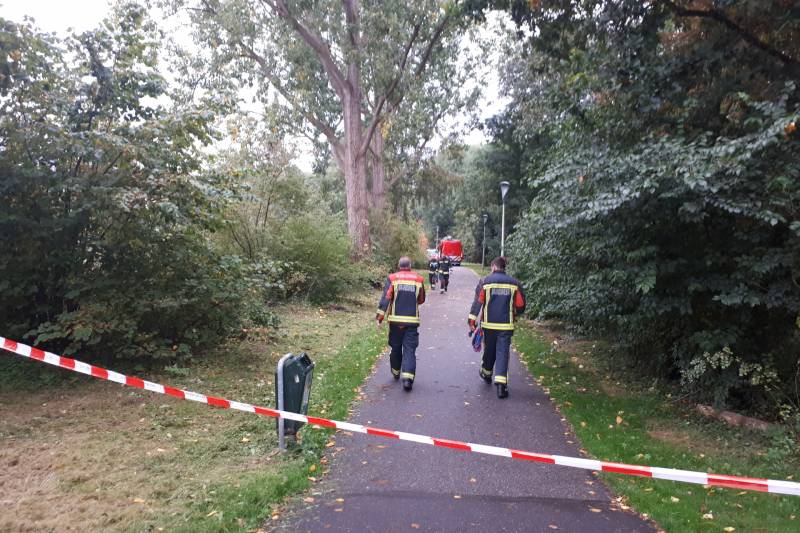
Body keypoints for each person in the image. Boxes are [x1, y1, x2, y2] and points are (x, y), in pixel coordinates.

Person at [468, 256, 526, 398]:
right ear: (504, 267)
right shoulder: (515, 283)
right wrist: (515, 313)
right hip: (506, 325)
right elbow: (520, 305)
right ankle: (501, 386)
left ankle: (486, 373)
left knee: (489, 350)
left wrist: (472, 321)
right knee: (503, 352)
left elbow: (478, 302)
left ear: (494, 267)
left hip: (488, 325)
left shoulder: (485, 282)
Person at [376, 256, 426, 391]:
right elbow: (421, 299)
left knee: (396, 347)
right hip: (412, 322)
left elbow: (386, 298)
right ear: (410, 266)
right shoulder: (418, 279)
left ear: (399, 266)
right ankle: (408, 380)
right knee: (409, 349)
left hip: (395, 321)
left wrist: (380, 317)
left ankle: (396, 371)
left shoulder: (392, 278)